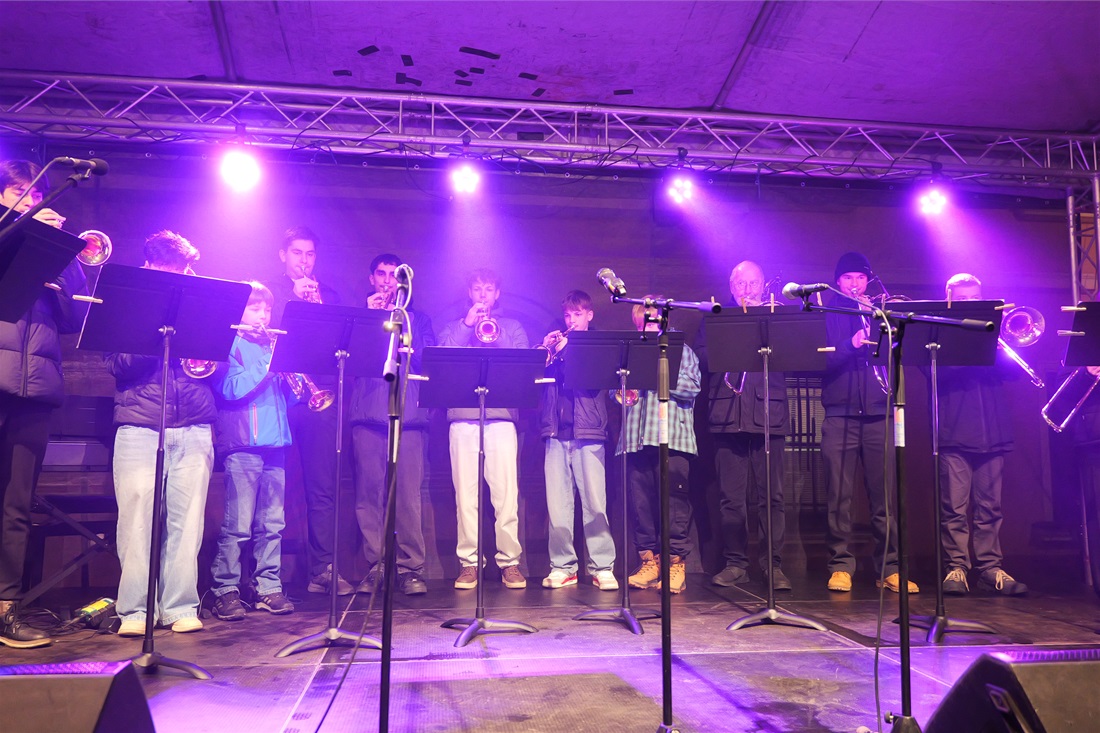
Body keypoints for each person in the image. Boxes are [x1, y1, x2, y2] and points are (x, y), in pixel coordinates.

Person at [0, 160, 88, 648]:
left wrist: (62, 256)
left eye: (36, 195)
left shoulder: (52, 245)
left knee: (16, 506)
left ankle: (6, 609)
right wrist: (24, 231)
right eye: (21, 192)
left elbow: (75, 318)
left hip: (36, 387)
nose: (31, 201)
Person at [108, 231, 213, 636]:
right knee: (136, 523)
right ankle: (135, 611)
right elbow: (117, 364)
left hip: (194, 424)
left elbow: (216, 361)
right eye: (172, 271)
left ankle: (180, 606)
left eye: (184, 271)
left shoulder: (200, 303)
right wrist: (156, 329)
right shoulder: (126, 300)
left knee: (188, 524)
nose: (179, 279)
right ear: (150, 267)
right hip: (140, 425)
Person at [821, 252, 917, 594]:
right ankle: (840, 566)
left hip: (879, 412)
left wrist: (879, 322)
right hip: (840, 414)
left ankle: (889, 568)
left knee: (884, 499)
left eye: (860, 278)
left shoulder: (881, 311)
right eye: (848, 277)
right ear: (838, 281)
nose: (855, 283)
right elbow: (818, 360)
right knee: (839, 497)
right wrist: (850, 344)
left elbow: (900, 353)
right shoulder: (828, 310)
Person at [697, 261, 792, 591]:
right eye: (741, 284)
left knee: (772, 498)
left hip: (769, 415)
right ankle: (736, 563)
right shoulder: (717, 316)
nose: (747, 290)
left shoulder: (776, 318)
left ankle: (772, 565)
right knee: (730, 498)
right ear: (731, 286)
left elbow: (795, 356)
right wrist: (731, 343)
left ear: (763, 285)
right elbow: (701, 357)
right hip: (727, 415)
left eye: (753, 283)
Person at [268, 227, 352, 596]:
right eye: (297, 253)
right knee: (271, 487)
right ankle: (265, 577)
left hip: (319, 399)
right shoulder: (269, 292)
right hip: (276, 397)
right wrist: (292, 300)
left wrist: (318, 310)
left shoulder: (328, 295)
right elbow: (264, 335)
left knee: (323, 488)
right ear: (283, 255)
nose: (304, 260)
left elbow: (340, 346)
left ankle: (324, 569)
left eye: (310, 254)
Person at [209, 282, 297, 621]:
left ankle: (268, 587)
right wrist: (269, 365)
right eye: (254, 308)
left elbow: (287, 401)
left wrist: (296, 382)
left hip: (276, 444)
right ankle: (225, 589)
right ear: (240, 311)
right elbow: (230, 390)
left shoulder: (273, 346)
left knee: (272, 524)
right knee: (238, 525)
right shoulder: (230, 343)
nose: (262, 315)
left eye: (266, 309)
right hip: (243, 445)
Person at [935, 274, 1027, 595]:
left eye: (975, 298)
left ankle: (990, 568)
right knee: (954, 509)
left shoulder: (993, 332)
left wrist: (1001, 343)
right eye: (963, 300)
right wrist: (977, 343)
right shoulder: (939, 333)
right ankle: (956, 568)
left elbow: (1014, 373)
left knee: (990, 509)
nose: (971, 304)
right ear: (949, 301)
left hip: (993, 432)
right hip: (954, 432)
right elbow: (938, 373)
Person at [438, 268, 529, 590]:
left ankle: (510, 562)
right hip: (463, 418)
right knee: (465, 498)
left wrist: (495, 332)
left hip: (501, 418)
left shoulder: (513, 327)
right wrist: (467, 326)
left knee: (506, 496)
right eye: (477, 289)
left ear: (497, 294)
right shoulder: (453, 326)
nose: (482, 295)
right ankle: (469, 563)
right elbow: (442, 357)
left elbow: (522, 363)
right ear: (470, 293)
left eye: (488, 290)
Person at [350, 253, 435, 596]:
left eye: (393, 276)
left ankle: (410, 568)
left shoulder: (420, 318)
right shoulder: (361, 314)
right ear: (372, 278)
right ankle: (376, 565)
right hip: (368, 412)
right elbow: (351, 356)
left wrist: (404, 328)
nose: (387, 281)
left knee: (408, 497)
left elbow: (427, 357)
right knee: (369, 496)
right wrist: (370, 317)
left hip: (409, 415)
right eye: (381, 274)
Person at [621, 297, 701, 594]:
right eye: (641, 323)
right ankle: (649, 563)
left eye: (652, 321)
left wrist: (656, 369)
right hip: (636, 437)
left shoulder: (683, 351)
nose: (647, 327)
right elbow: (619, 393)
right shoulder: (631, 351)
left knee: (674, 506)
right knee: (641, 506)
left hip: (673, 439)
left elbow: (692, 387)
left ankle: (676, 566)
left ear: (663, 321)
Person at [538, 290, 617, 591]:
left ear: (589, 315)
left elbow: (592, 377)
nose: (571, 320)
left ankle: (602, 567)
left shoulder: (596, 345)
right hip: (556, 432)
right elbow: (532, 379)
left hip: (589, 432)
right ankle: (563, 567)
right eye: (568, 315)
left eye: (578, 314)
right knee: (558, 507)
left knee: (596, 504)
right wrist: (545, 351)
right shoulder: (557, 345)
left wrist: (568, 350)